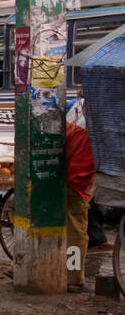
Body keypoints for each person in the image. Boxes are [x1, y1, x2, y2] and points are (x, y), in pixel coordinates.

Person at [65, 99, 95, 292]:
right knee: (76, 233)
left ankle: (17, 265)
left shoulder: (74, 106)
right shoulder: (101, 117)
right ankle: (74, 278)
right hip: (77, 180)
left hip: (62, 175)